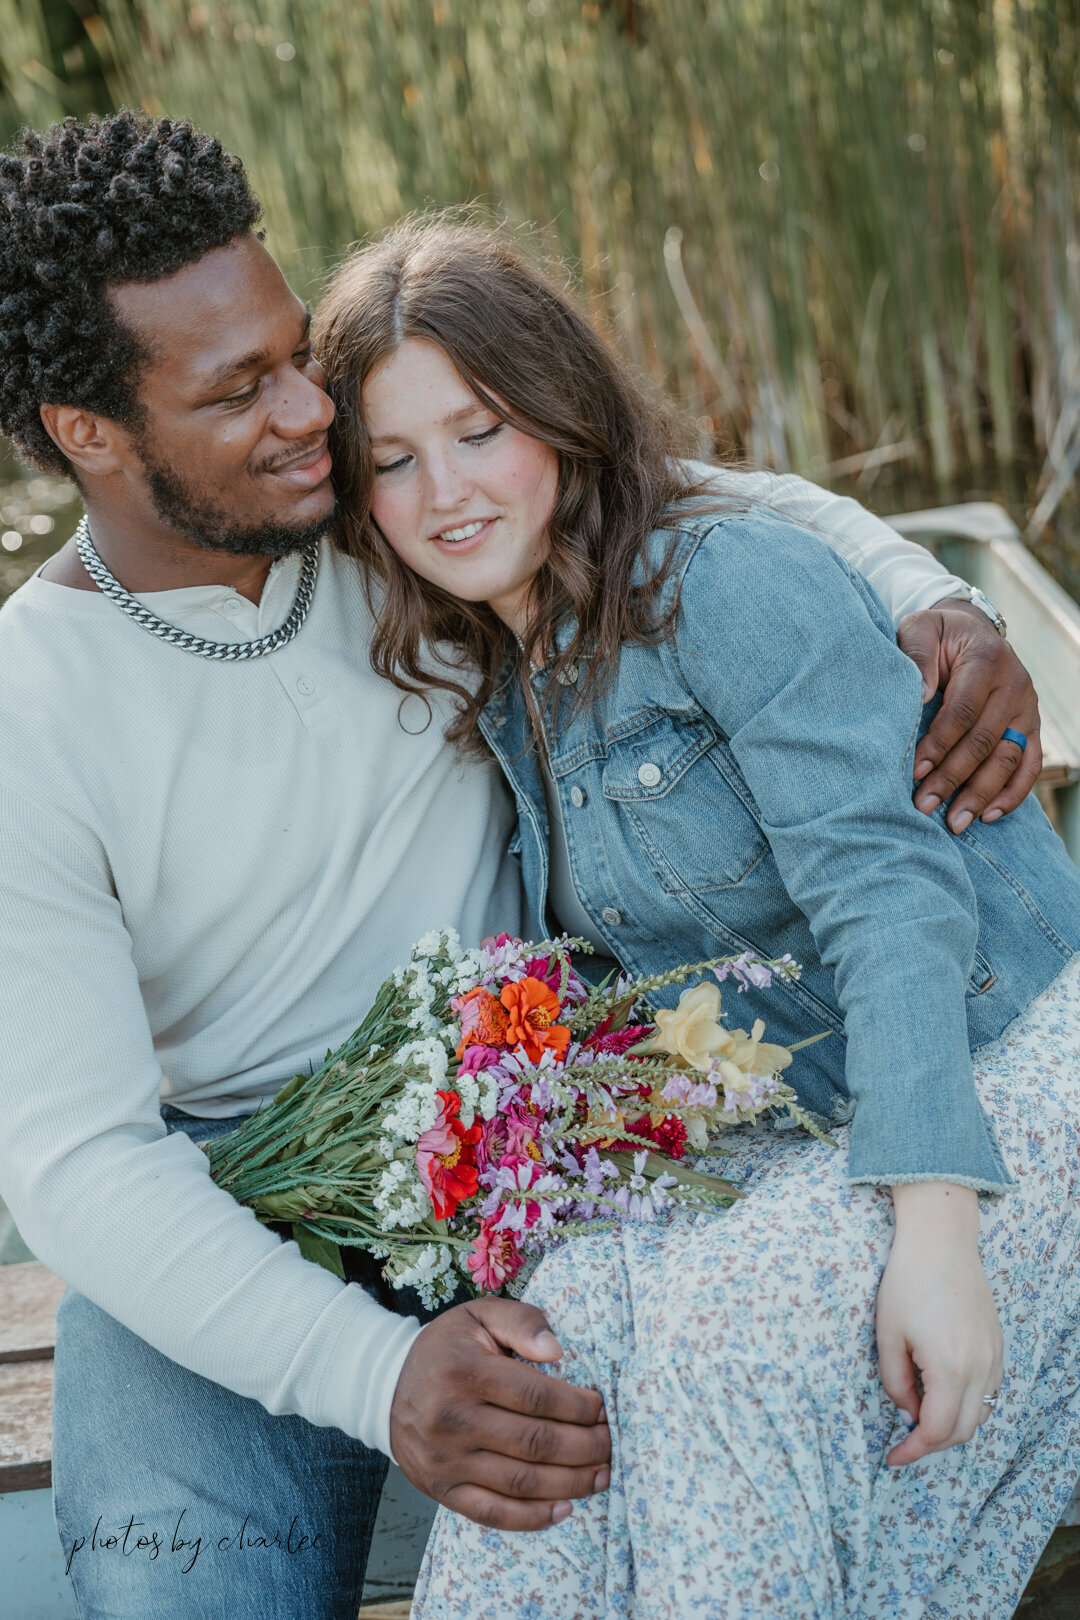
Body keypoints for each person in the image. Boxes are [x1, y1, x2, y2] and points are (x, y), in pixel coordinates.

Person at [0, 115, 1041, 1616]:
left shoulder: (388, 519)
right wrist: (379, 1375)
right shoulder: (32, 715)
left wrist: (930, 592)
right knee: (176, 1590)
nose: (312, 412)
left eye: (299, 353)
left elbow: (679, 497)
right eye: (239, 390)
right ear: (86, 429)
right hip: (236, 1208)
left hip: (551, 1133)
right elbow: (79, 1162)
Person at [313, 217, 1080, 1618]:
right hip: (787, 1102)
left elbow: (892, 896)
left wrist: (935, 1226)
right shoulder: (502, 661)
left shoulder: (723, 581)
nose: (445, 492)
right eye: (393, 460)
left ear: (558, 411)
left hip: (994, 1052)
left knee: (733, 1347)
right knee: (564, 1356)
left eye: (479, 430)